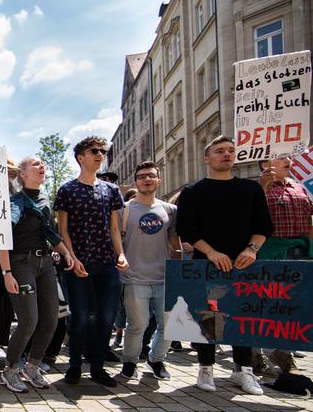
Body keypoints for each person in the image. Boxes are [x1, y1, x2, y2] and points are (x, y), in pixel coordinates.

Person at [176, 135, 272, 395]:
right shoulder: (193, 191)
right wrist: (210, 252)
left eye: (230, 150)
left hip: (244, 262)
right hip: (206, 263)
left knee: (244, 314)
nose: (226, 154)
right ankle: (206, 366)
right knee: (209, 315)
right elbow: (186, 228)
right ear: (207, 158)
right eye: (219, 151)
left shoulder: (250, 189)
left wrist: (252, 250)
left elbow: (263, 225)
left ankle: (244, 370)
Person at [54, 136, 128, 387]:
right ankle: (74, 366)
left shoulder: (111, 190)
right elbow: (62, 230)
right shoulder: (67, 190)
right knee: (81, 317)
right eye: (94, 151)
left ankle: (97, 367)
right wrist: (72, 258)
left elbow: (115, 228)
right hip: (78, 265)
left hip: (107, 264)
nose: (100, 154)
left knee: (107, 318)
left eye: (102, 151)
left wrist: (121, 254)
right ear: (80, 157)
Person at [0, 156, 74, 392]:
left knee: (51, 318)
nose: (42, 166)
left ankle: (32, 366)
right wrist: (7, 273)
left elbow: (50, 232)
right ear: (22, 173)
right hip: (21, 264)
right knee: (29, 320)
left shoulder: (43, 199)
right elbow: (2, 238)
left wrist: (68, 254)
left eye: (43, 163)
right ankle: (10, 368)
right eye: (35, 164)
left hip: (46, 264)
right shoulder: (13, 202)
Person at [118, 161, 180, 381]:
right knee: (137, 325)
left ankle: (156, 359)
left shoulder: (170, 210)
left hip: (164, 277)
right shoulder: (124, 210)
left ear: (158, 180)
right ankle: (129, 362)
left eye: (151, 175)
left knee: (170, 325)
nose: (146, 179)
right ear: (136, 181)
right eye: (142, 176)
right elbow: (115, 240)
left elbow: (176, 242)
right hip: (134, 277)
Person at [254, 156, 312, 374]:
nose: (287, 160)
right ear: (265, 165)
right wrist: (262, 186)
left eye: (288, 157)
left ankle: (283, 352)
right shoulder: (257, 189)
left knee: (291, 306)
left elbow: (309, 221)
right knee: (263, 305)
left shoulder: (300, 188)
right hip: (267, 251)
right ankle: (254, 353)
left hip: (298, 252)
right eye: (280, 158)